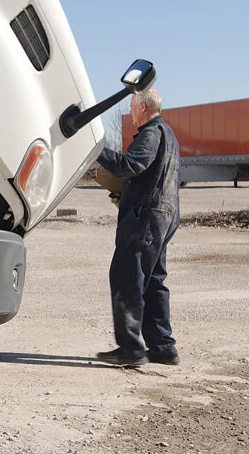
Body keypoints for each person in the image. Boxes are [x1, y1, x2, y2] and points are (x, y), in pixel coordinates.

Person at [95, 88, 181, 367]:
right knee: (153, 280)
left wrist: (95, 150)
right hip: (162, 216)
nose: (130, 112)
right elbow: (151, 176)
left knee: (127, 277)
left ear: (143, 107)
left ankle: (130, 349)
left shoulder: (151, 133)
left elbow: (131, 165)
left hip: (146, 218)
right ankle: (162, 347)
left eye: (132, 107)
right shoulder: (167, 133)